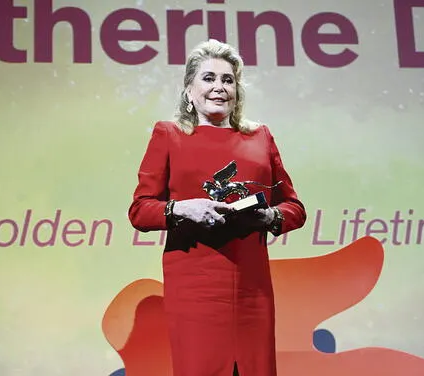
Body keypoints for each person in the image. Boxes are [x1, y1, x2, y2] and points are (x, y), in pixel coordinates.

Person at [128, 39, 307, 376]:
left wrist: (270, 216)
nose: (219, 88)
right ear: (190, 90)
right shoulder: (169, 135)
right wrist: (183, 209)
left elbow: (294, 207)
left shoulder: (260, 137)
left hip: (252, 290)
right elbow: (140, 210)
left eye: (228, 80)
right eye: (208, 79)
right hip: (196, 289)